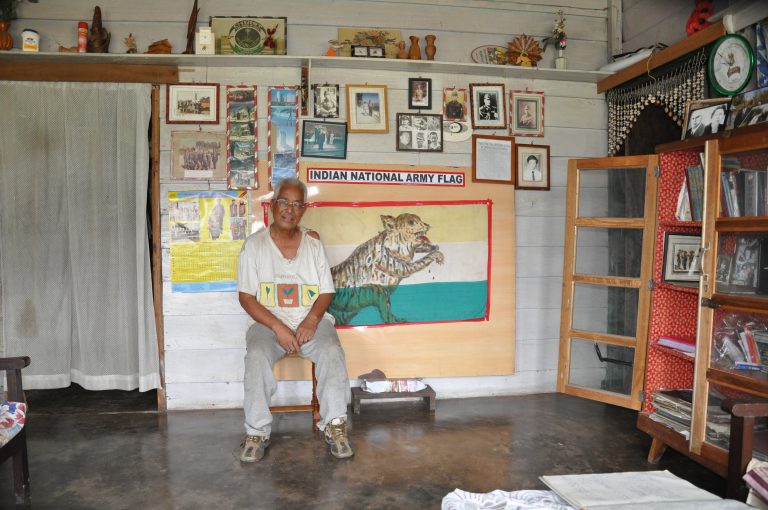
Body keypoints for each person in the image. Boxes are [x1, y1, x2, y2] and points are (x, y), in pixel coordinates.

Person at [236, 178, 353, 462]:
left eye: (297, 204)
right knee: (256, 356)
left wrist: (312, 320)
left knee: (331, 351)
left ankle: (335, 426)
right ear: (273, 205)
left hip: (308, 322)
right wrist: (278, 327)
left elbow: (326, 291)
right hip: (268, 324)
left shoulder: (313, 245)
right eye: (284, 202)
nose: (290, 209)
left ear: (304, 209)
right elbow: (246, 298)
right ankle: (256, 432)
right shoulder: (254, 246)